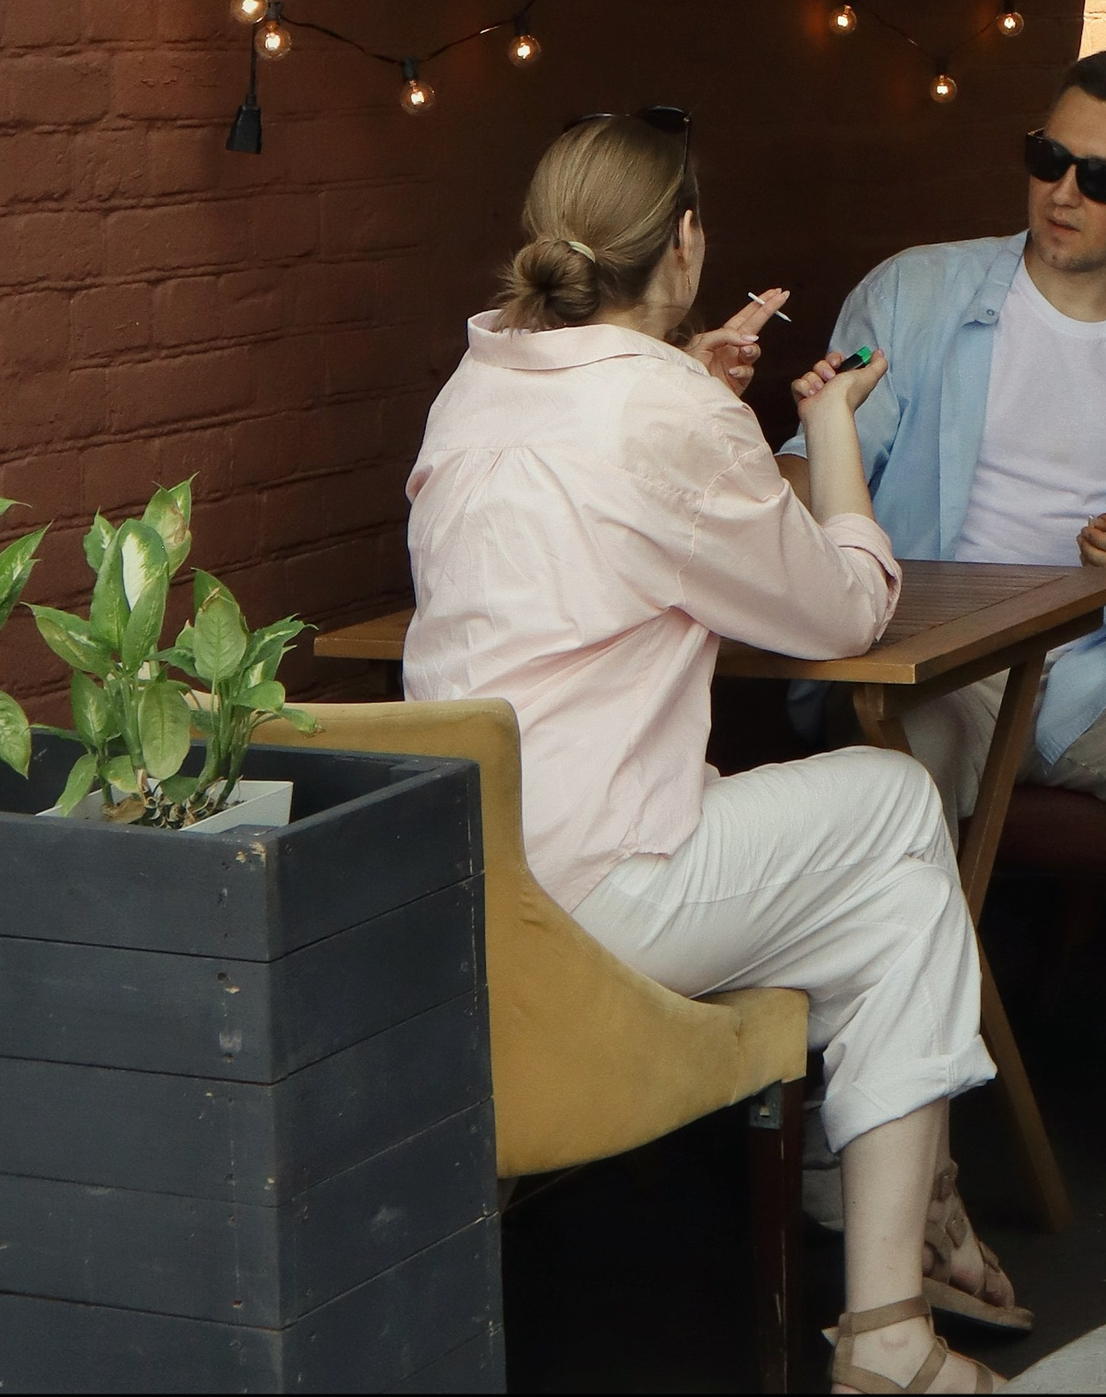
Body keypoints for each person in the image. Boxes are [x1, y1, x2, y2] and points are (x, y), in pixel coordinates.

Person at [405, 111, 1018, 1396]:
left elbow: (613, 454)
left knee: (877, 895)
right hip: (601, 897)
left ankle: (898, 1255)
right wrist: (829, 430)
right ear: (684, 242)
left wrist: (689, 369)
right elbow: (845, 608)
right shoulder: (670, 415)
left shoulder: (477, 378)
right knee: (901, 810)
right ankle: (892, 1303)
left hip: (462, 885)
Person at [816, 51, 1106, 1170]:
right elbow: (816, 469)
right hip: (925, 653)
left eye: (1098, 174)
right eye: (1046, 157)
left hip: (1093, 657)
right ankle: (866, 1116)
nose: (1062, 190)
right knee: (892, 798)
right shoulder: (916, 294)